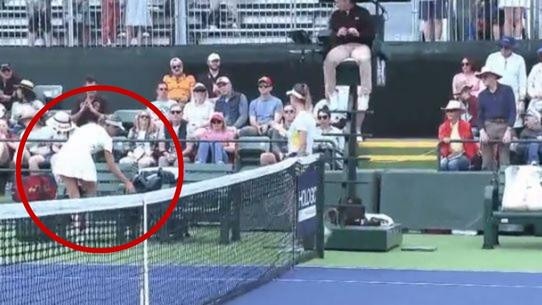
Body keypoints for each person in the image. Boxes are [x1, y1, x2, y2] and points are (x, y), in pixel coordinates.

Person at [323, 0, 375, 142]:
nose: (336, 2)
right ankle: (331, 93)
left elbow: (371, 35)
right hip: (343, 46)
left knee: (364, 59)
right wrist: (338, 33)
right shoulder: (335, 16)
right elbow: (330, 36)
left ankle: (364, 93)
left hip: (360, 45)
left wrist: (358, 33)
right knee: (329, 60)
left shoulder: (363, 13)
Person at [52, 115, 135, 199]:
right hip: (78, 157)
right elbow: (111, 165)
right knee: (91, 191)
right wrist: (127, 182)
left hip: (62, 157)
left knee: (74, 195)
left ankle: (77, 212)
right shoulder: (107, 139)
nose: (117, 131)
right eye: (116, 128)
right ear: (108, 125)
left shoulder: (89, 126)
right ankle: (87, 211)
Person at [476, 66, 516, 171]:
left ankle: (504, 183)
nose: (483, 79)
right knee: (487, 161)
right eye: (482, 77)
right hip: (489, 125)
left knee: (504, 161)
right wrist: (482, 131)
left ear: (493, 77)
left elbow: (513, 111)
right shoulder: (481, 95)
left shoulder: (507, 90)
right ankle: (486, 181)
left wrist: (509, 130)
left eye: (485, 76)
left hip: (504, 125)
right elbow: (479, 117)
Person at [438, 100, 478, 171]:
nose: (449, 113)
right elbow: (441, 137)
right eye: (448, 111)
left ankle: (455, 181)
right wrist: (443, 139)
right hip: (449, 155)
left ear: (458, 113)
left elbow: (468, 137)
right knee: (442, 164)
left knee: (453, 164)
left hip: (464, 155)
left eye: (452, 111)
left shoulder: (466, 125)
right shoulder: (443, 127)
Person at [286, 83, 316, 157]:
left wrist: (298, 163)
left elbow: (303, 144)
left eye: (291, 96)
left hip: (297, 159)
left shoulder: (301, 117)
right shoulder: (306, 116)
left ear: (294, 97)